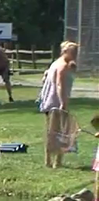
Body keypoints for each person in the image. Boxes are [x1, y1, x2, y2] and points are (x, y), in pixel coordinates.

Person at [39, 41, 78, 169]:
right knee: (60, 133)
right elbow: (59, 85)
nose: (76, 54)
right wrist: (63, 103)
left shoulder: (56, 63)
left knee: (51, 132)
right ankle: (56, 162)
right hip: (57, 102)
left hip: (49, 101)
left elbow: (45, 77)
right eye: (73, 52)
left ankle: (48, 160)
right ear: (65, 52)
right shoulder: (63, 66)